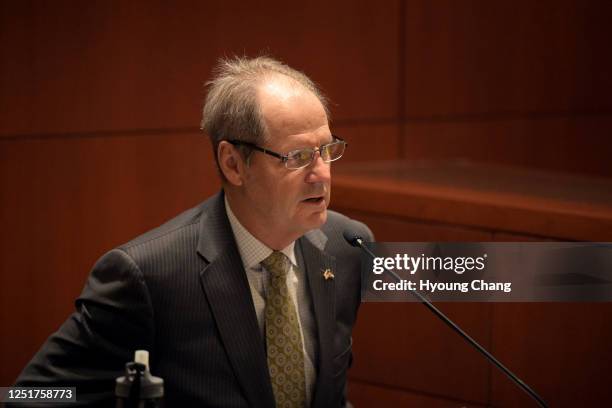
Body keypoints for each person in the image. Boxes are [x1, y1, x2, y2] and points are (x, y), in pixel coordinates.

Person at [14, 56, 373, 407]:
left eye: (326, 150)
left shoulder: (348, 247)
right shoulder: (149, 277)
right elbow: (29, 395)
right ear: (233, 164)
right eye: (296, 156)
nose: (322, 174)